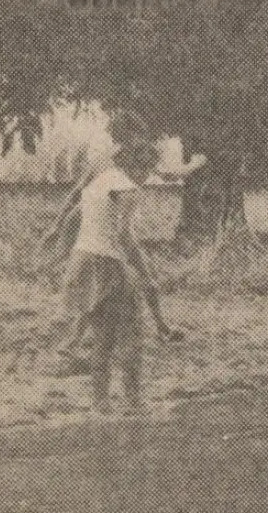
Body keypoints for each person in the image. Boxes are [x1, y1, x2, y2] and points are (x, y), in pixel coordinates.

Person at [59, 142, 179, 412]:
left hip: (83, 259)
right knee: (131, 334)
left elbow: (73, 219)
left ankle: (101, 403)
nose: (146, 177)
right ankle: (134, 403)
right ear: (137, 166)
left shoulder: (100, 180)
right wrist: (143, 270)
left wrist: (62, 251)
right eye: (146, 170)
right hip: (108, 263)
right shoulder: (128, 188)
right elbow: (125, 235)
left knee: (102, 336)